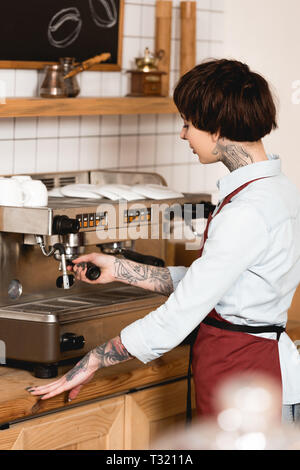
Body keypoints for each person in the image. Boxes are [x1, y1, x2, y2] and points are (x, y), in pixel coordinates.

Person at [28, 59, 300, 424]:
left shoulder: (248, 210)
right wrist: (121, 269)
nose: (183, 134)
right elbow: (220, 285)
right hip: (250, 372)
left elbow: (180, 315)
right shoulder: (276, 190)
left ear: (217, 129)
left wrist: (94, 359)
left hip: (248, 380)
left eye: (188, 123)